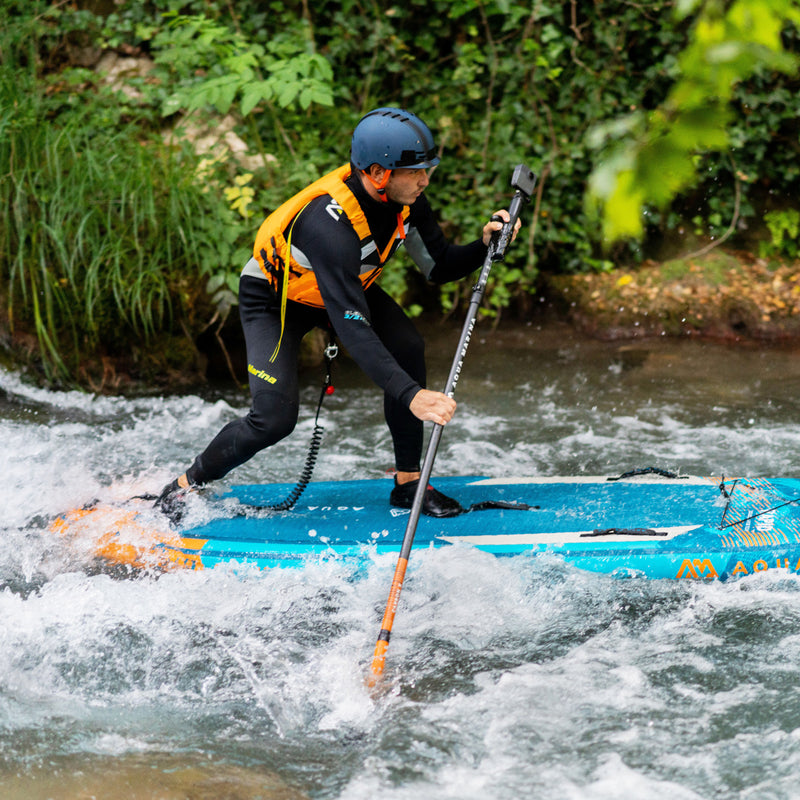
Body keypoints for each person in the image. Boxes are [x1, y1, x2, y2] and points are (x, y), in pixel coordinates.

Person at [156, 106, 520, 521]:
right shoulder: (328, 225)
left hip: (341, 289)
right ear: (378, 173)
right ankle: (182, 488)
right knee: (273, 419)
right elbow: (353, 328)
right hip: (276, 299)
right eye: (417, 171)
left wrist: (485, 244)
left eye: (428, 170)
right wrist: (412, 396)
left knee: (407, 346)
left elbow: (439, 267)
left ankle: (407, 484)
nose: (425, 180)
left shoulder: (406, 200)